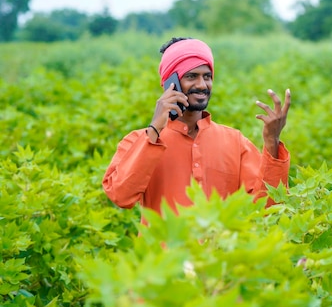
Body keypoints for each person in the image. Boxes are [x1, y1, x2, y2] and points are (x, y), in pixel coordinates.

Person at [102, 37, 291, 217]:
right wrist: (154, 129)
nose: (202, 85)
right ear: (170, 83)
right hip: (163, 251)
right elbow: (121, 196)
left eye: (207, 76)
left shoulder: (235, 141)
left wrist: (271, 142)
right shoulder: (139, 141)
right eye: (191, 76)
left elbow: (267, 210)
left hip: (220, 251)